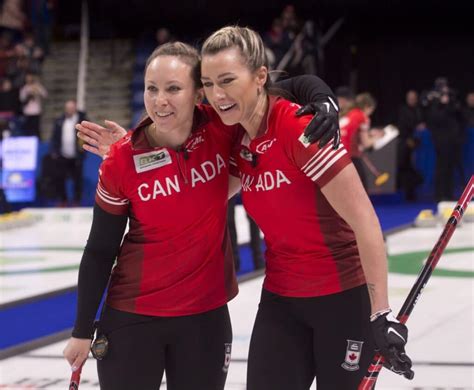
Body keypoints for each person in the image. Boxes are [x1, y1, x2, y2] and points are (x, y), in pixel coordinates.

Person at [66, 41, 340, 390]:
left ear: (199, 95)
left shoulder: (222, 126)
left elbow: (296, 84)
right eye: (152, 88)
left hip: (205, 318)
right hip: (133, 317)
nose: (159, 100)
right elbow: (100, 249)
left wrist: (326, 102)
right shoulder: (121, 160)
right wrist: (81, 330)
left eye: (174, 88)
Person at [199, 26, 413, 389]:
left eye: (227, 80)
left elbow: (364, 221)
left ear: (260, 77)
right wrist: (132, 151)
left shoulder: (301, 130)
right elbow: (203, 197)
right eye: (208, 83)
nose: (217, 94)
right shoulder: (236, 138)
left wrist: (380, 312)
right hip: (281, 301)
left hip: (342, 300)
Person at [50, 100, 87, 206]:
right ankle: (63, 200)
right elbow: (55, 137)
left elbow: (87, 136)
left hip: (77, 156)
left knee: (77, 180)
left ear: (75, 108)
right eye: (68, 108)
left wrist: (83, 152)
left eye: (71, 107)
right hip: (62, 155)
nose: (69, 110)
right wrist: (55, 151)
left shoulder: (82, 120)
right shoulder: (60, 120)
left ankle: (77, 201)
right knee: (60, 179)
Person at [397, 90, 424, 200]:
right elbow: (403, 126)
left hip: (416, 143)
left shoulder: (418, 110)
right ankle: (408, 193)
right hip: (405, 143)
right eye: (410, 98)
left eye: (414, 98)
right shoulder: (403, 111)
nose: (412, 100)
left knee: (413, 167)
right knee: (406, 167)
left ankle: (412, 192)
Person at [19, 72, 47, 138]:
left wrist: (37, 90)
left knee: (36, 128)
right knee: (28, 129)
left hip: (36, 111)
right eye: (27, 78)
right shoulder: (24, 88)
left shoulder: (37, 86)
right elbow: (21, 99)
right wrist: (28, 94)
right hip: (27, 111)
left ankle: (38, 141)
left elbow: (45, 94)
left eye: (30, 78)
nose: (29, 79)